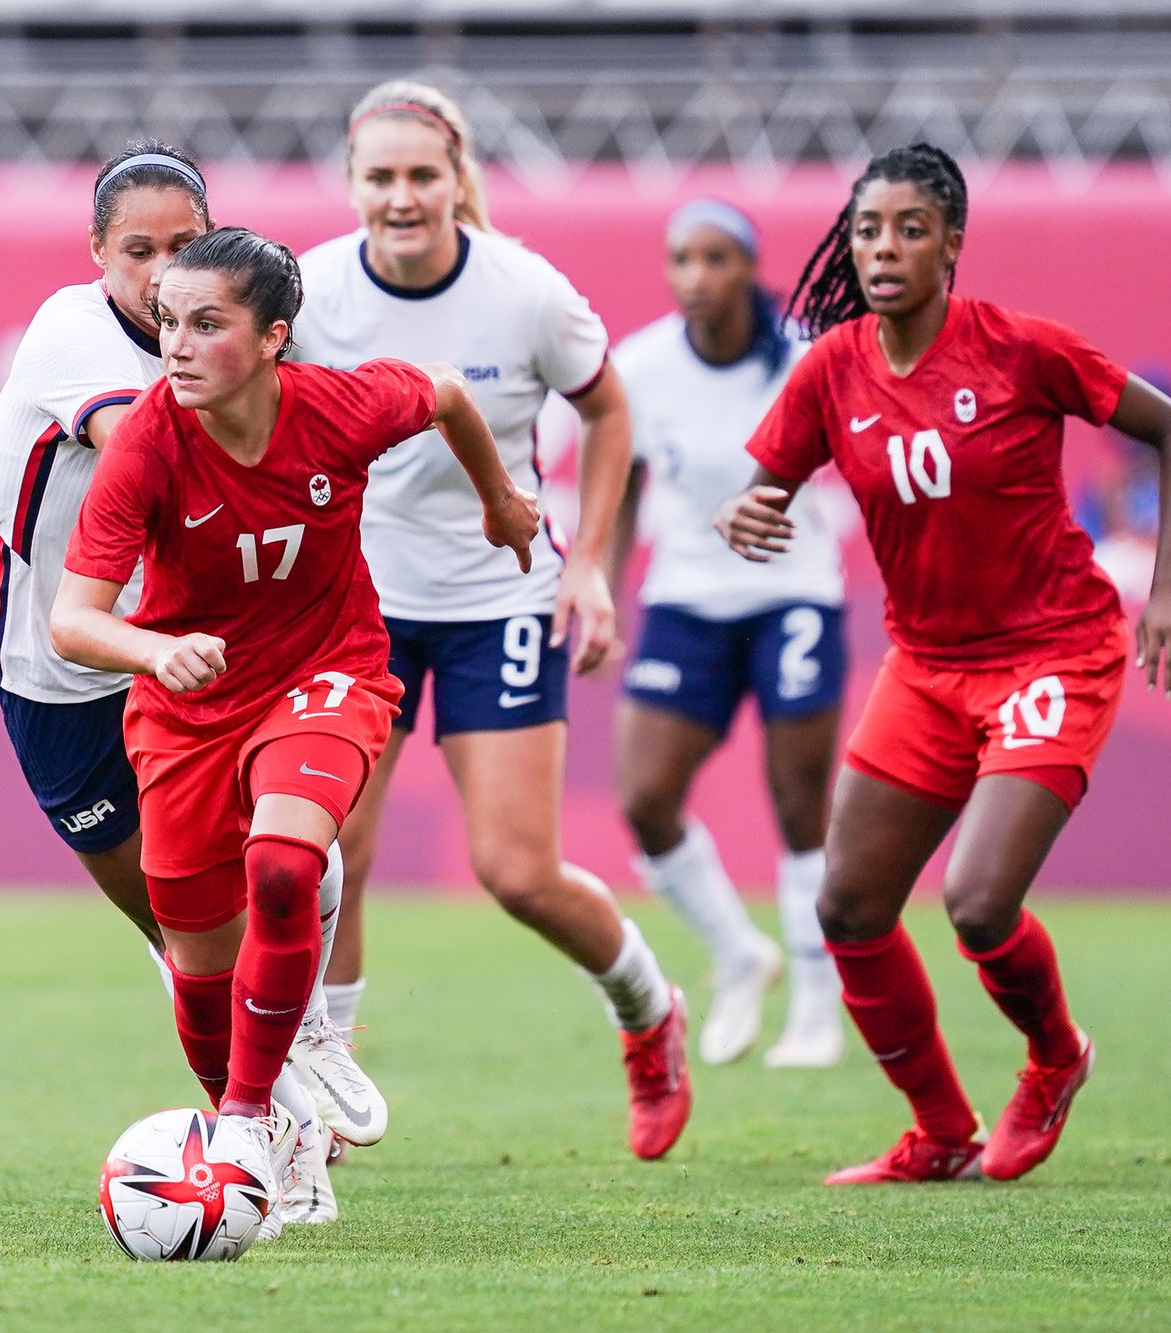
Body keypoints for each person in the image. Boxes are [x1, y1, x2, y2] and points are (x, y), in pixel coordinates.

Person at [717, 143, 1171, 1184]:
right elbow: (761, 482)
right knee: (846, 907)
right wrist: (746, 510)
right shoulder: (832, 367)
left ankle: (1054, 1057)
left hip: (1053, 651)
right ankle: (939, 1131)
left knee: (977, 902)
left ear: (950, 244)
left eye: (907, 228)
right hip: (927, 665)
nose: (882, 248)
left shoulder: (1020, 349)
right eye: (865, 230)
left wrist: (1164, 590)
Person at [51, 226, 543, 1218]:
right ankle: (282, 1133)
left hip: (327, 670)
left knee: (285, 863)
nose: (176, 346)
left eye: (205, 323)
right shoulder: (148, 441)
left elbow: (444, 390)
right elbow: (72, 619)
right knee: (197, 966)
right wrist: (156, 650)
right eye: (165, 323)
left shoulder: (339, 407)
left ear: (275, 336)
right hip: (188, 708)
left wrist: (498, 502)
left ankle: (244, 1117)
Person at [0, 147, 379, 1223]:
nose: (161, 275)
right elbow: (153, 437)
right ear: (96, 254)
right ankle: (275, 1112)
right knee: (172, 924)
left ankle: (273, 1129)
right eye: (137, 251)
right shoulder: (75, 335)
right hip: (58, 669)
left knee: (270, 872)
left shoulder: (228, 329)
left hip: (190, 656)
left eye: (184, 248)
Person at [294, 79, 693, 1159]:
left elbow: (609, 409)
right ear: (352, 184)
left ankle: (648, 1010)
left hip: (494, 597)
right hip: (356, 605)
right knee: (334, 852)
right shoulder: (312, 291)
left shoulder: (524, 293)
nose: (401, 197)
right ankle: (327, 1087)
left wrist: (594, 566)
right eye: (379, 177)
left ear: (456, 179)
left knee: (515, 871)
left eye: (421, 175)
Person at [607, 199, 848, 1069]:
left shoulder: (807, 356)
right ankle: (740, 952)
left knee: (798, 806)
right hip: (686, 597)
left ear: (749, 267)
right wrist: (602, 588)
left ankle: (818, 1005)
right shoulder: (640, 364)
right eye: (680, 258)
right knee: (644, 798)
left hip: (794, 593)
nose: (695, 276)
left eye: (715, 258)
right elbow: (621, 479)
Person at [1072, 367, 1171, 600]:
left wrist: (1147, 548)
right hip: (1109, 606)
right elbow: (1079, 558)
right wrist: (1113, 509)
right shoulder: (1106, 485)